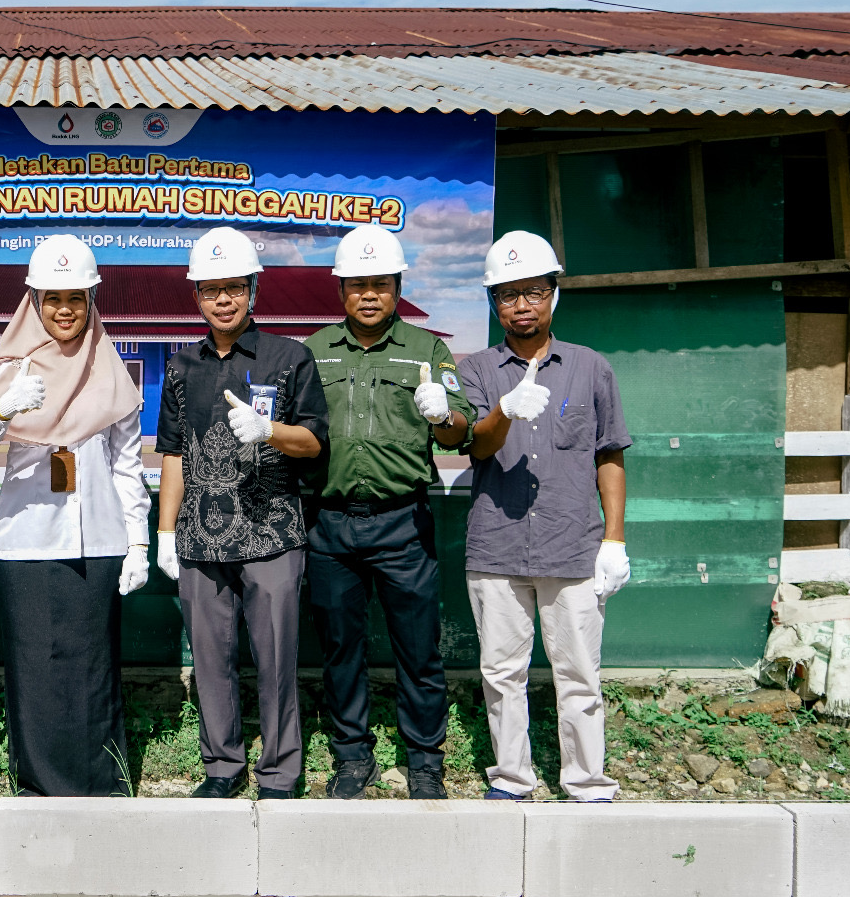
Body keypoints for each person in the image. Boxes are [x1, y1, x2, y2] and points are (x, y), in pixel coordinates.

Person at [0, 236, 149, 796]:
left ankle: (102, 782)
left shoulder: (111, 370)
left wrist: (138, 543)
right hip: (27, 541)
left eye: (76, 296)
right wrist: (1, 409)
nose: (64, 309)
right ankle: (38, 785)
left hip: (99, 540)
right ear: (34, 302)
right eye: (51, 298)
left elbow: (126, 466)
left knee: (93, 667)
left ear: (93, 300)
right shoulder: (11, 369)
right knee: (35, 668)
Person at [302, 226, 476, 801]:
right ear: (341, 291)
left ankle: (425, 758)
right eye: (357, 285)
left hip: (403, 521)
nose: (369, 295)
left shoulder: (427, 350)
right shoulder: (314, 350)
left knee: (418, 648)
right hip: (328, 522)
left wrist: (439, 414)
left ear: (398, 287)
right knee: (340, 649)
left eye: (380, 284)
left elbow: (460, 430)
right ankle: (352, 757)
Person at [154, 227, 329, 800]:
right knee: (209, 660)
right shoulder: (181, 368)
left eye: (233, 288)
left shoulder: (289, 358)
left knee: (276, 659)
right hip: (201, 541)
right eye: (210, 290)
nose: (222, 300)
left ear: (253, 289)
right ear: (196, 296)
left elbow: (314, 443)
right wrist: (164, 532)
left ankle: (280, 772)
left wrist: (270, 431)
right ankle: (222, 768)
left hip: (273, 533)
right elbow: (174, 455)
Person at [457, 230, 631, 803]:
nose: (522, 305)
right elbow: (478, 447)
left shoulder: (590, 368)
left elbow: (609, 455)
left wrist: (614, 540)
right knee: (502, 673)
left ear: (555, 294)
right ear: (494, 303)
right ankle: (512, 778)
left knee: (579, 676)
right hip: (497, 546)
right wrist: (504, 412)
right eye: (508, 295)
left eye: (534, 291)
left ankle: (586, 781)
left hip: (572, 546)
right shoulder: (479, 370)